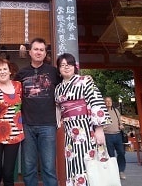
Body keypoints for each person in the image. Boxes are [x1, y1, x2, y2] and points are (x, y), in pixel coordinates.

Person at [54, 53, 111, 186]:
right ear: (58, 69)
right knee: (72, 161)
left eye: (69, 64)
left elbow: (96, 102)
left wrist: (99, 129)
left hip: (86, 127)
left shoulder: (85, 81)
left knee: (88, 161)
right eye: (62, 65)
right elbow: (58, 109)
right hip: (69, 130)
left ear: (75, 66)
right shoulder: (58, 89)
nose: (66, 67)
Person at [14, 37, 61, 186]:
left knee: (48, 167)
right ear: (30, 52)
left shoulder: (53, 72)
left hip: (48, 124)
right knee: (29, 167)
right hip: (27, 124)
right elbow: (12, 94)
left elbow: (66, 85)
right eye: (36, 49)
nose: (38, 52)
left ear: (45, 53)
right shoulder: (21, 73)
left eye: (42, 50)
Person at [0, 57, 24, 186]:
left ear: (10, 71)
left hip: (14, 134)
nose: (2, 72)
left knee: (8, 173)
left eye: (5, 69)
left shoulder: (19, 86)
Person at [104, 96, 127, 180]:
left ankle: (121, 171)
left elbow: (120, 122)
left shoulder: (116, 110)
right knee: (111, 155)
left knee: (121, 152)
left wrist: (121, 125)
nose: (108, 103)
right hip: (107, 135)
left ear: (111, 102)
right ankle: (113, 172)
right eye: (106, 101)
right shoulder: (102, 112)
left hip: (118, 135)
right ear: (104, 102)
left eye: (109, 101)